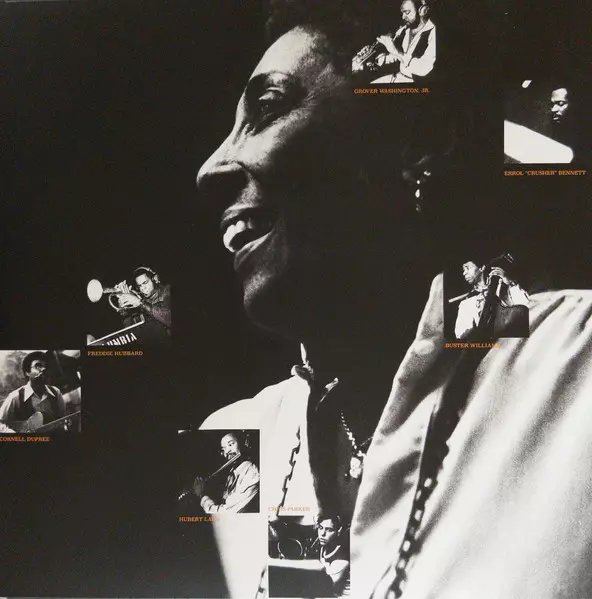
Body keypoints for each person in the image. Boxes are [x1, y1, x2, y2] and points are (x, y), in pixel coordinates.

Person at [196, 2, 592, 598]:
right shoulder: (232, 440)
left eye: (268, 109)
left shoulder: (577, 368)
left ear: (419, 144)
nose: (209, 169)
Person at [354, 0, 436, 83]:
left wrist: (396, 51)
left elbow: (424, 69)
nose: (403, 17)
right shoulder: (406, 30)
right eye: (402, 13)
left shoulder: (434, 33)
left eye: (407, 12)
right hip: (399, 76)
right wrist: (378, 60)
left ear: (423, 10)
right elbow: (399, 56)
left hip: (416, 83)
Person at [454, 260, 529, 340]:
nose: (464, 273)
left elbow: (526, 304)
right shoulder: (466, 302)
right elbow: (460, 333)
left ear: (481, 268)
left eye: (467, 268)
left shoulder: (501, 284)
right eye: (463, 270)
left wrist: (509, 282)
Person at [192, 432, 260, 513]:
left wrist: (202, 495)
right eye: (224, 449)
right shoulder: (232, 473)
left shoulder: (251, 472)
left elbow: (225, 512)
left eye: (231, 444)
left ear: (242, 444)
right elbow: (226, 501)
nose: (227, 451)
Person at [0, 352, 67, 433]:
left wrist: (65, 425)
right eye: (38, 366)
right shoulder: (15, 397)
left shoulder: (56, 392)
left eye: (45, 366)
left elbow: (62, 418)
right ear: (27, 372)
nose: (43, 369)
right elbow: (1, 423)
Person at [116, 266, 172, 341]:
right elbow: (132, 333)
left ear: (155, 279)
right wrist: (125, 311)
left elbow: (170, 319)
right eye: (139, 285)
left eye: (145, 283)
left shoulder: (167, 290)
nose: (142, 288)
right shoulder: (139, 299)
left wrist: (140, 303)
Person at [316, 514, 351, 597]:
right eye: (320, 528)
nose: (322, 533)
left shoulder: (342, 556)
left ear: (339, 530)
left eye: (329, 530)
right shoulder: (323, 547)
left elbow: (325, 586)